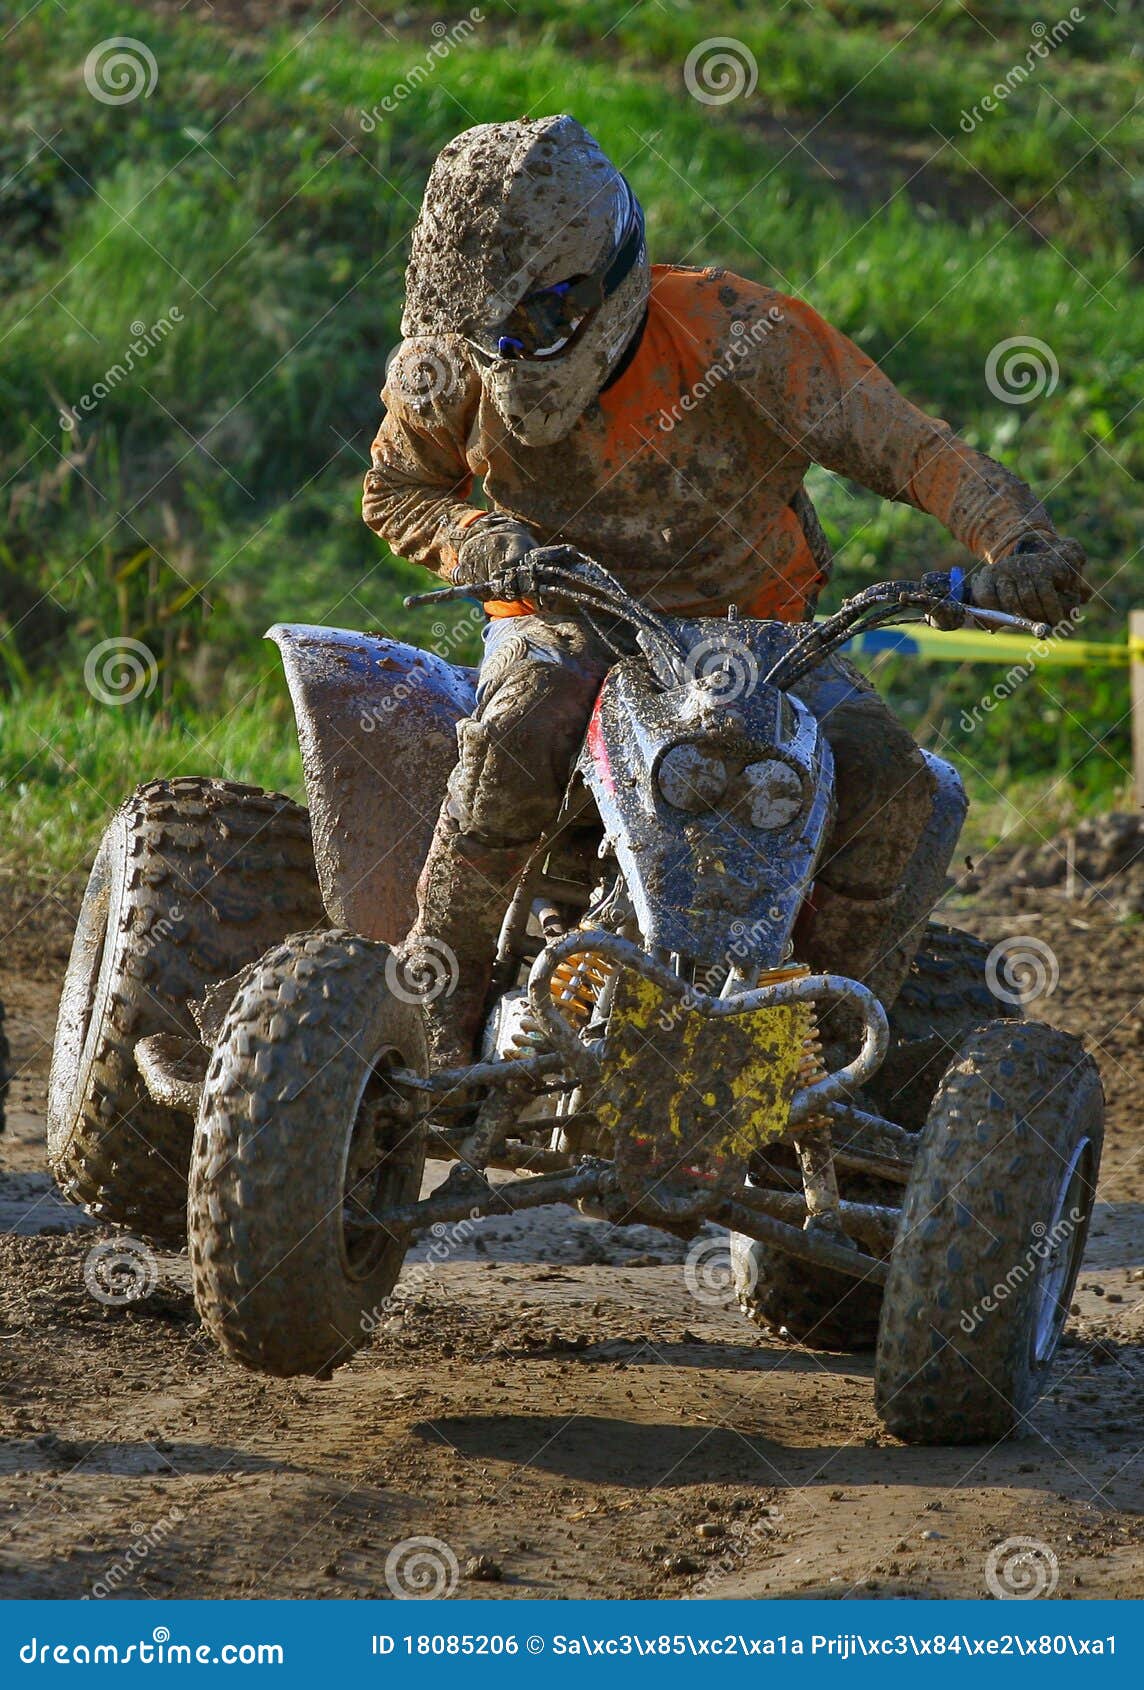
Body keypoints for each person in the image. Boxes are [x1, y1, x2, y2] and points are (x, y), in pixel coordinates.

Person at [363, 115, 1089, 1067]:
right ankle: (436, 1015)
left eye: (534, 321)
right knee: (513, 737)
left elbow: (915, 449)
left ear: (601, 277)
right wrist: (475, 534)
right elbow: (396, 488)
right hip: (567, 615)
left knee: (892, 793)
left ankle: (815, 1052)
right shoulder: (450, 362)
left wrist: (1018, 539)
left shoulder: (742, 337)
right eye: (486, 329)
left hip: (762, 638)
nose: (506, 349)